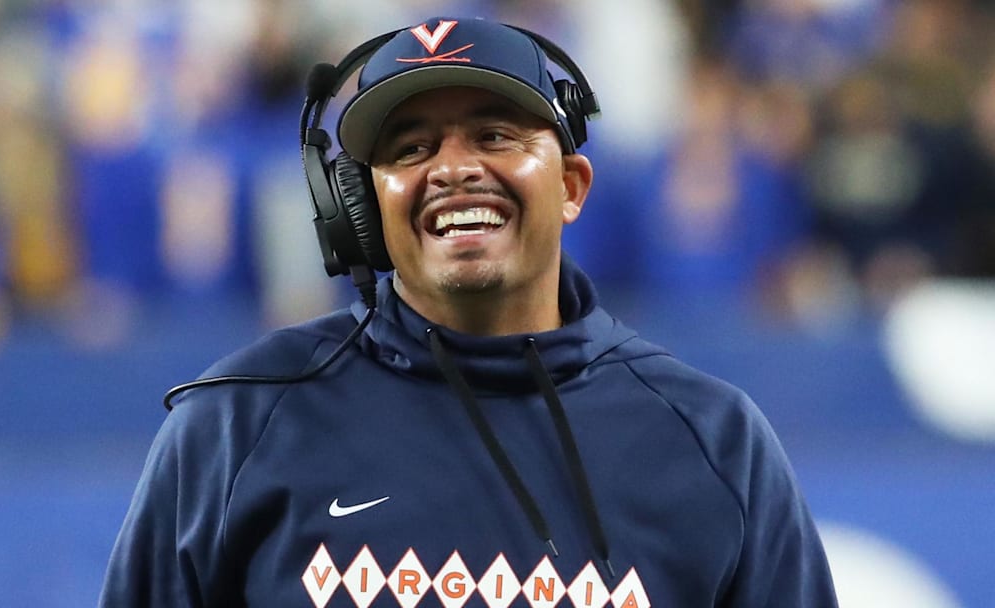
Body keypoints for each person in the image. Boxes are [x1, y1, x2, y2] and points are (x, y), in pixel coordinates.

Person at [100, 16, 838, 607]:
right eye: (411, 147)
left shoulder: (712, 440)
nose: (452, 169)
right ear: (362, 208)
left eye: (494, 135)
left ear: (573, 186)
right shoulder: (236, 426)